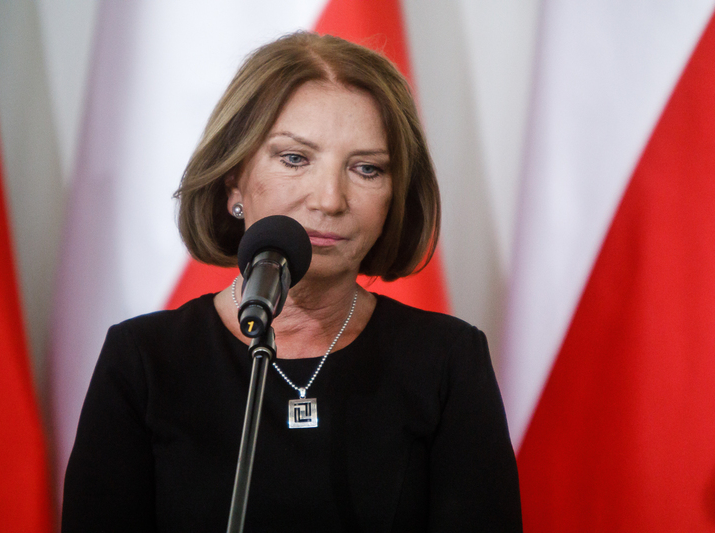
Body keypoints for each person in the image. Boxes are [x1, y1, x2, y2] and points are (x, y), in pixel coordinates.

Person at [62, 32, 522, 532]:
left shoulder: (448, 361)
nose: (329, 199)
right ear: (234, 181)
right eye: (295, 159)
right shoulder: (144, 360)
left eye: (366, 169)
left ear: (395, 196)